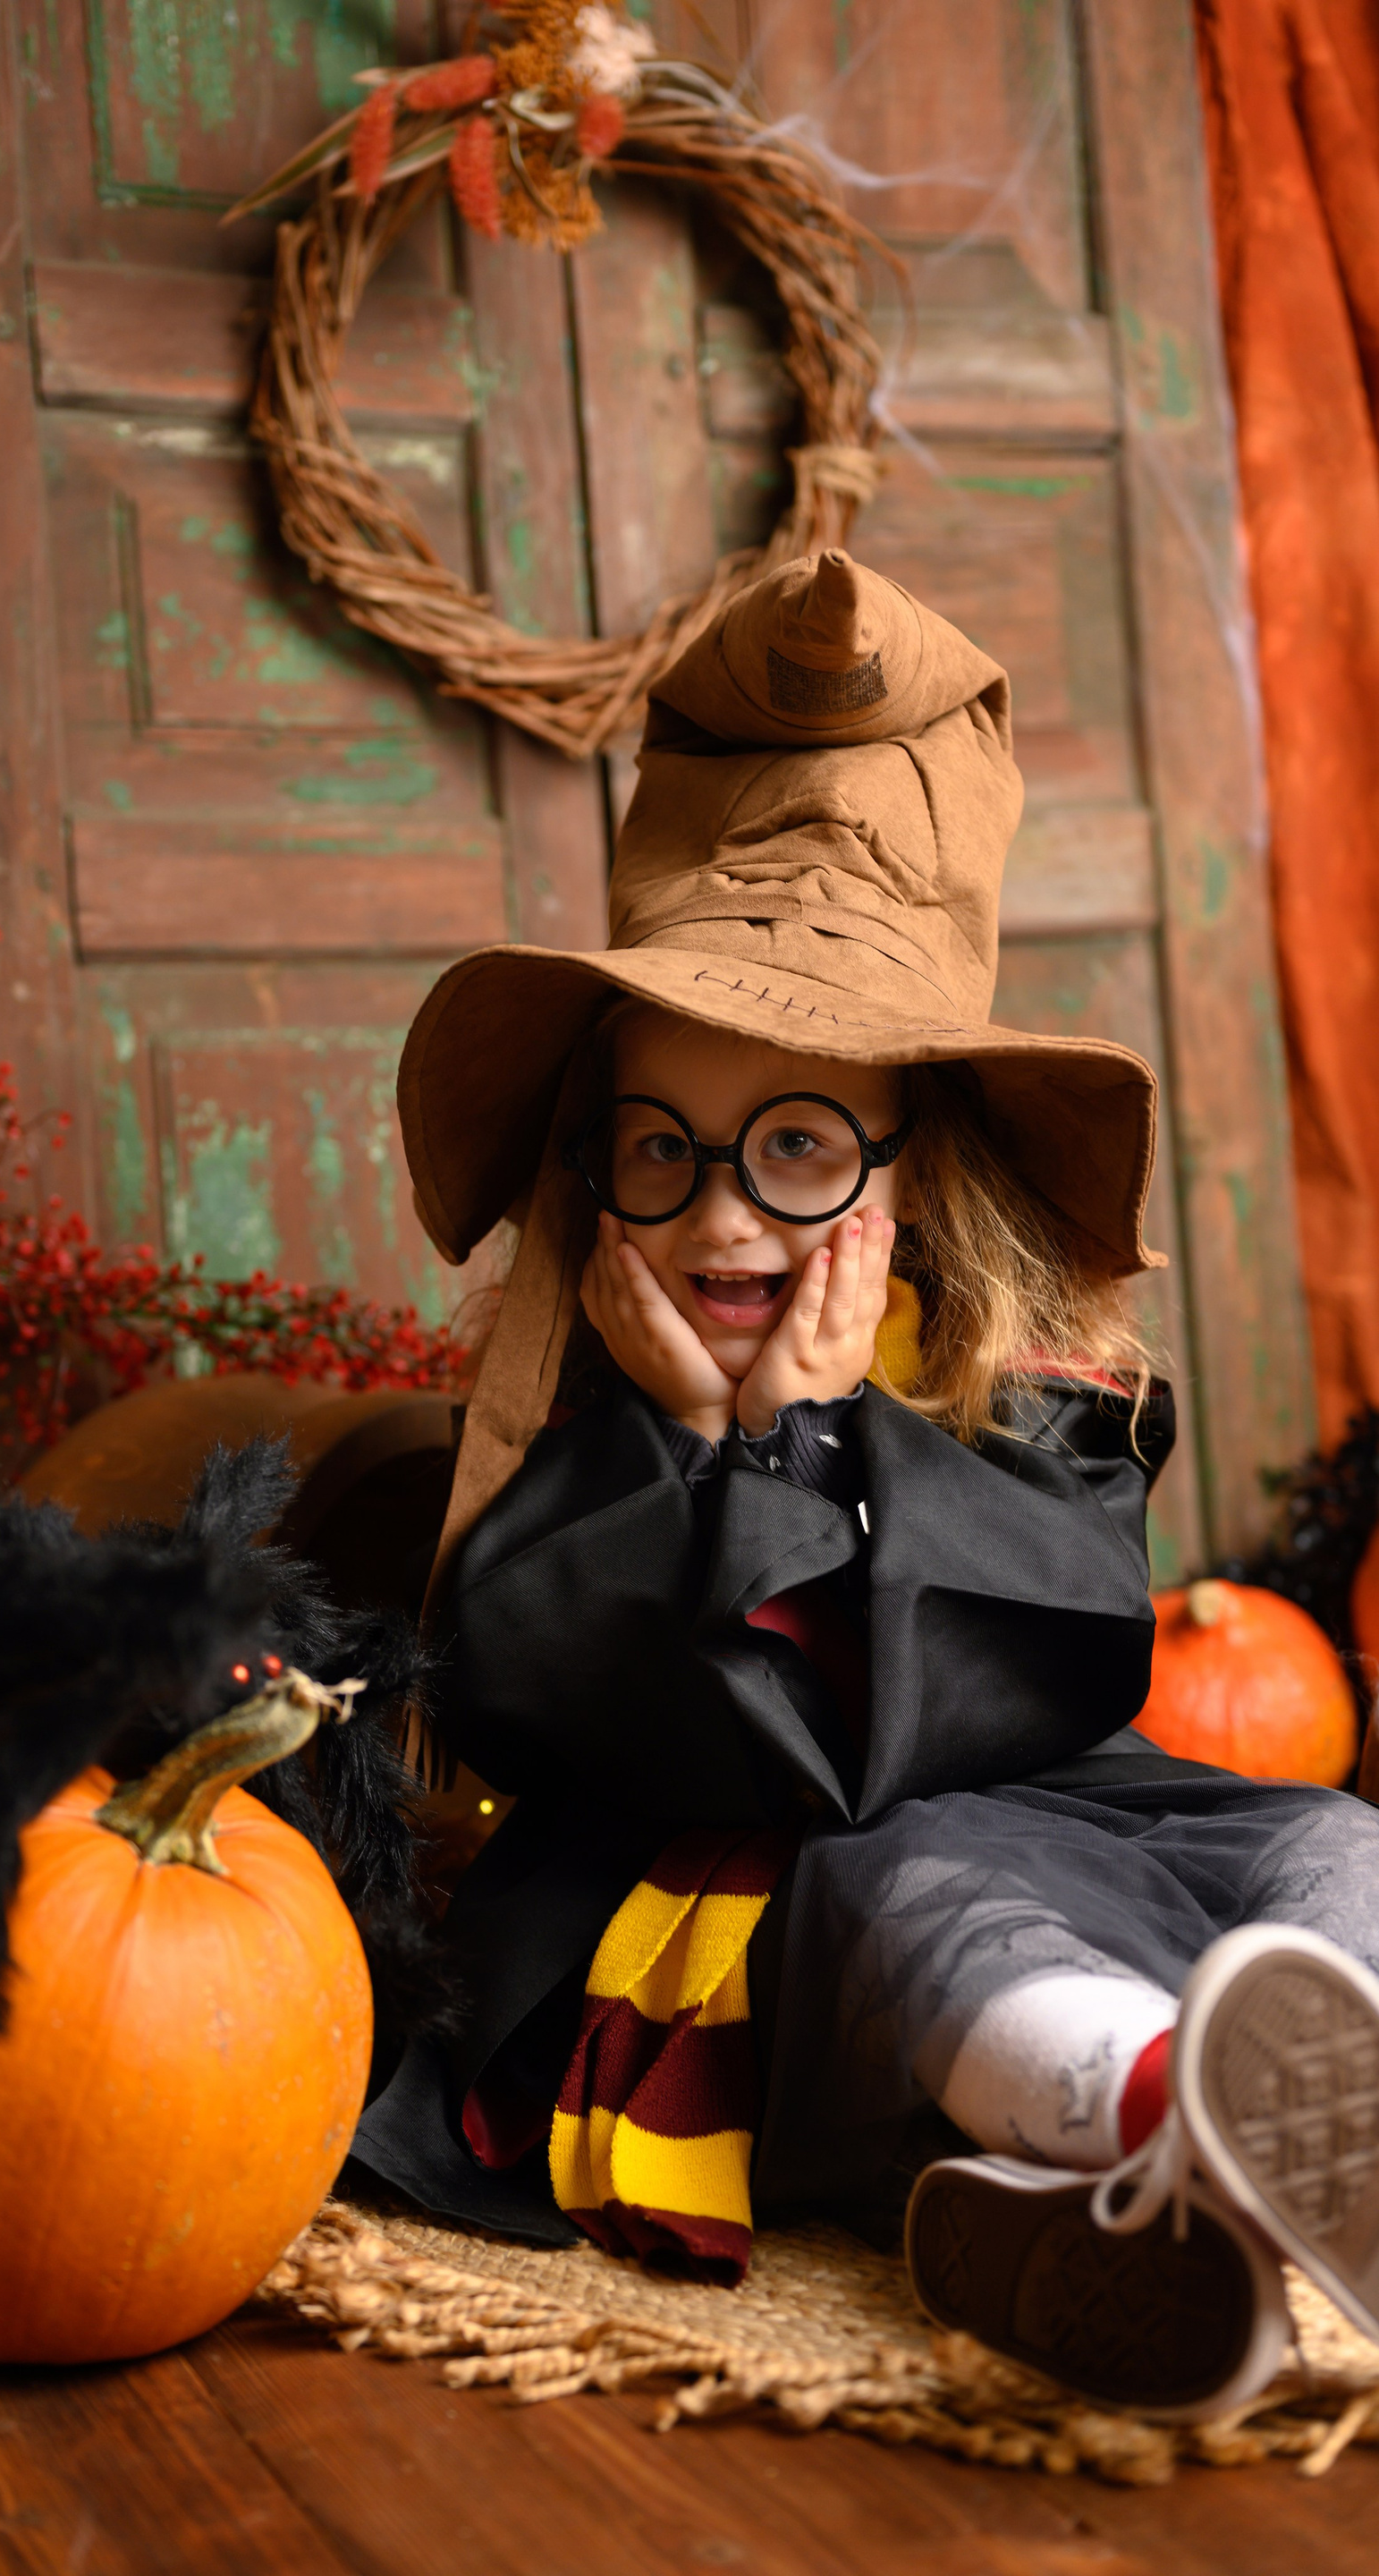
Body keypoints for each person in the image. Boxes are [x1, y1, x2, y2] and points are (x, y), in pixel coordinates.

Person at [352, 550, 1379, 2419]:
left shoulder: (1030, 1381)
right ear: (595, 1171)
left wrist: (816, 1438)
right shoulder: (583, 1413)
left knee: (1331, 1845)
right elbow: (662, 1733)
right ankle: (1162, 2124)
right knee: (910, 1885)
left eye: (801, 1146)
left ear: (925, 1164)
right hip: (738, 1903)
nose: (725, 1214)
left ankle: (1169, 2186)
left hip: (1056, 1811)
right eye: (661, 1151)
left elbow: (1055, 1661)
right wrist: (725, 1444)